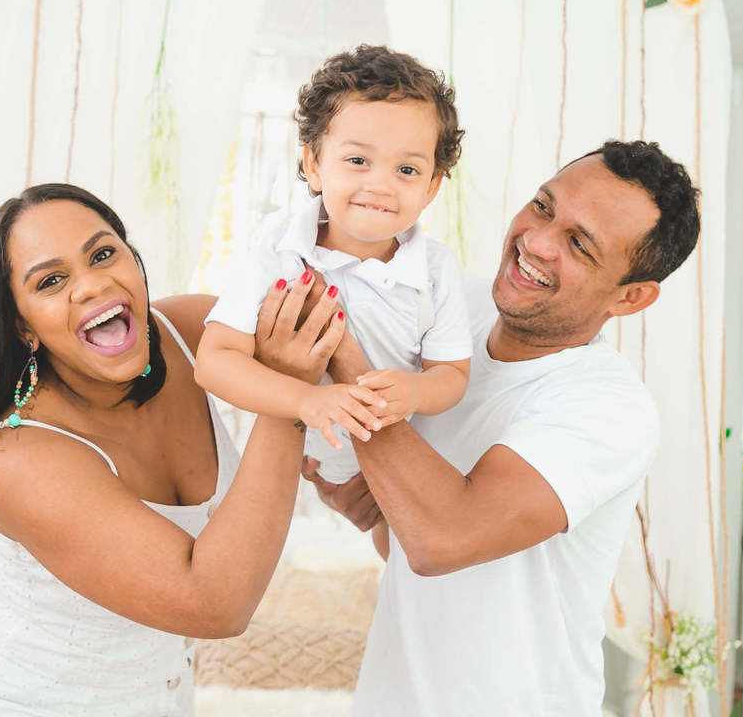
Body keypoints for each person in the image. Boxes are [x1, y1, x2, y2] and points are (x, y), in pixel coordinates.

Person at [254, 140, 702, 715]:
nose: (537, 242)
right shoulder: (450, 308)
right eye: (543, 207)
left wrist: (337, 340)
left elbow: (443, 539)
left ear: (631, 297)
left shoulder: (608, 407)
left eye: (579, 244)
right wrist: (372, 510)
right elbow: (419, 550)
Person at [0, 184, 344, 716]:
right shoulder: (22, 460)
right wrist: (290, 395)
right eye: (51, 281)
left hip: (159, 697)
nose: (92, 285)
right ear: (23, 326)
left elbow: (338, 343)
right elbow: (217, 604)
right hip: (13, 701)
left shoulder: (195, 331)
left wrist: (357, 490)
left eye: (102, 254)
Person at [195, 45, 473, 485]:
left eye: (406, 170)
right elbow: (214, 362)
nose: (380, 184)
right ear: (314, 164)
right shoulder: (279, 247)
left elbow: (452, 374)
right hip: (297, 454)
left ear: (432, 186)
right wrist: (305, 400)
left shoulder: (435, 269)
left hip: (396, 465)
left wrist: (416, 390)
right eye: (358, 161)